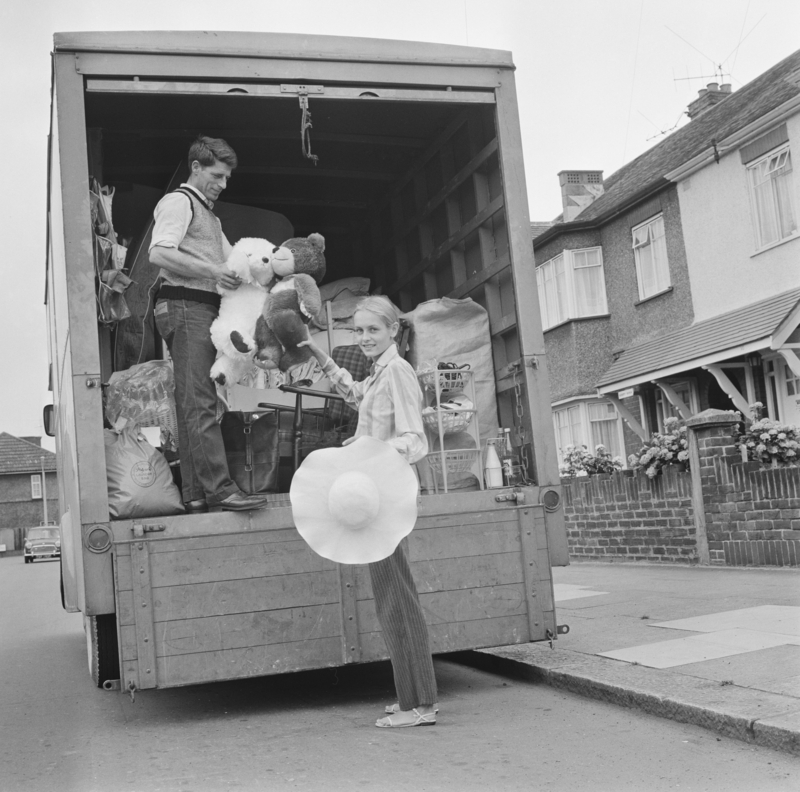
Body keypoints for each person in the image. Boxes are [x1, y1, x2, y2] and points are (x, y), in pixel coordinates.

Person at [300, 295, 438, 728]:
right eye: (357, 331)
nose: (363, 338)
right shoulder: (380, 371)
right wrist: (324, 358)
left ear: (393, 330)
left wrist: (368, 451)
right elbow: (357, 395)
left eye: (372, 330)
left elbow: (416, 440)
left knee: (399, 598)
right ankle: (411, 697)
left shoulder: (398, 370)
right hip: (373, 497)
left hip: (387, 496)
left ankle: (423, 706)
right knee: (389, 596)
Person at [149, 136, 267, 513]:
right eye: (217, 174)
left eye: (227, 177)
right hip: (184, 306)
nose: (223, 183)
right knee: (201, 401)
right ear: (196, 168)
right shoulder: (179, 202)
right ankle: (220, 489)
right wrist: (214, 271)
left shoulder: (209, 215)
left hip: (196, 307)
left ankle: (196, 494)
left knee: (192, 403)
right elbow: (159, 252)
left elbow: (237, 262)